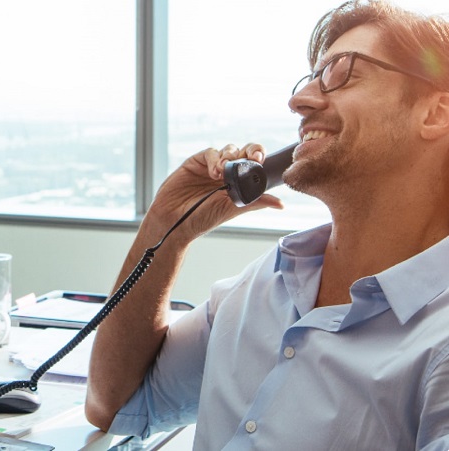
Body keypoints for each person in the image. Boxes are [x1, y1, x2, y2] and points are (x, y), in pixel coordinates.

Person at [85, 0, 449, 449]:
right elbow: (115, 405)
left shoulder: (439, 343)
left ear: (435, 113)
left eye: (342, 71)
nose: (300, 101)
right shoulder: (264, 284)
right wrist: (167, 226)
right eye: (312, 78)